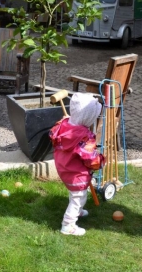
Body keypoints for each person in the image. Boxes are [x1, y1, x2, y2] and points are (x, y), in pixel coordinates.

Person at [49, 93, 105, 236]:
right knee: (78, 198)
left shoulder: (64, 125)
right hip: (76, 174)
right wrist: (101, 161)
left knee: (75, 195)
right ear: (87, 117)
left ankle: (77, 212)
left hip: (65, 169)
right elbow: (91, 159)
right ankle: (68, 225)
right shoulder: (84, 137)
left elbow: (54, 134)